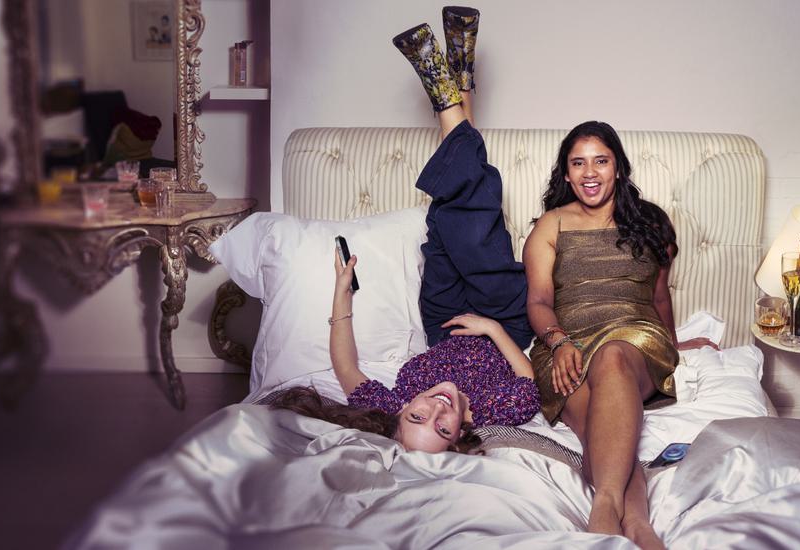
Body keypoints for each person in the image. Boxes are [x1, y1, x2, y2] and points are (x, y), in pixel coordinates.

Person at [271, 6, 540, 455]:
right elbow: (529, 384)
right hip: (505, 320)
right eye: (442, 427)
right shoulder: (490, 410)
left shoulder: (390, 403)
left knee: (446, 222)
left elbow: (346, 369)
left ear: (402, 410)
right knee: (475, 232)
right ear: (459, 436)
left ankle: (457, 77)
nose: (436, 410)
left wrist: (341, 292)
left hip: (444, 318)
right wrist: (493, 329)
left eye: (418, 417)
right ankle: (449, 91)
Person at [523, 121, 717, 546]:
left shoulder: (651, 223)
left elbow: (659, 298)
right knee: (600, 435)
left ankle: (604, 507)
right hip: (566, 346)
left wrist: (674, 342)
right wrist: (558, 343)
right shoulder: (550, 226)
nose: (589, 173)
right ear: (566, 172)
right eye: (578, 163)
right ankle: (638, 526)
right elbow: (538, 302)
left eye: (600, 161)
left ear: (618, 167)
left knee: (612, 355)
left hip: (636, 341)